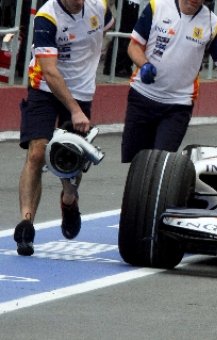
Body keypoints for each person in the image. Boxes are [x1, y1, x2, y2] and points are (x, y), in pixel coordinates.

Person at [13, 0, 114, 256]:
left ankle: (69, 200)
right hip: (45, 88)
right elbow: (50, 70)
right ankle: (26, 223)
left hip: (81, 90)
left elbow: (108, 21)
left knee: (72, 157)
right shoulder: (47, 17)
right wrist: (75, 110)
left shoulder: (99, 7)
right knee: (37, 152)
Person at [120, 0, 217, 163]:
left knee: (161, 163)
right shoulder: (158, 7)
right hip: (142, 97)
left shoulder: (212, 23)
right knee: (137, 160)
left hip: (177, 105)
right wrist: (144, 65)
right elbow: (134, 46)